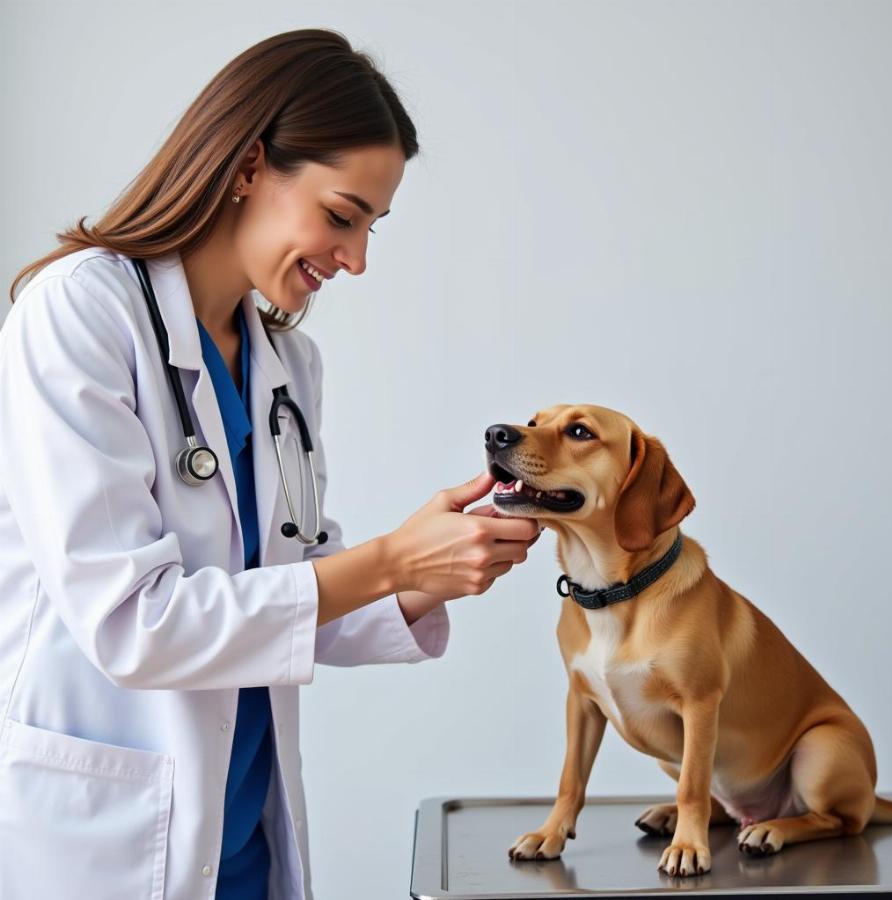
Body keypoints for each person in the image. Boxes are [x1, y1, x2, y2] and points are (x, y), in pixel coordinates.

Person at [0, 28, 541, 900]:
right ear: (249, 165)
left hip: (241, 837)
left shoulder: (288, 368)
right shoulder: (79, 315)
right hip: (106, 843)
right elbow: (135, 624)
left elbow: (288, 593)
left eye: (372, 226)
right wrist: (391, 560)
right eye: (341, 215)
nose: (357, 259)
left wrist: (431, 568)